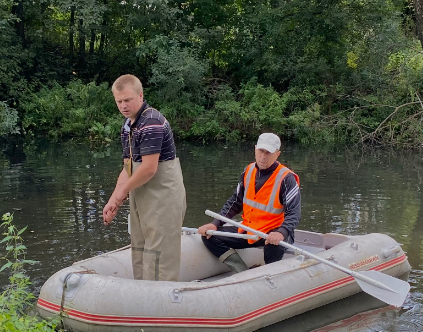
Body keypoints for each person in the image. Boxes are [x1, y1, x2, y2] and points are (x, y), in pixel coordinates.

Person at [102, 75, 186, 281]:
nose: (123, 105)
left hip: (163, 197)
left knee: (160, 254)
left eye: (127, 100)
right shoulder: (127, 126)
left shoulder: (151, 122)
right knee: (140, 248)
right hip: (141, 197)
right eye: (119, 101)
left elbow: (148, 169)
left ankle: (163, 303)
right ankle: (142, 297)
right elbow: (128, 167)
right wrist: (113, 200)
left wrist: (121, 194)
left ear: (140, 96)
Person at [197, 133, 300, 272]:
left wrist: (281, 233)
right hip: (250, 229)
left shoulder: (286, 178)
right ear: (255, 149)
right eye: (261, 151)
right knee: (209, 236)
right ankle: (241, 270)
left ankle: (270, 274)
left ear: (277, 154)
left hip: (273, 231)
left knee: (273, 246)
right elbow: (235, 202)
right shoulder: (248, 170)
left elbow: (294, 213)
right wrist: (215, 223)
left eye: (268, 152)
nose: (263, 156)